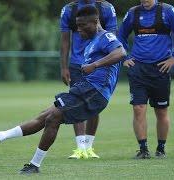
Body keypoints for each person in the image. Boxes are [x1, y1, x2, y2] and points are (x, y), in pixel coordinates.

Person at [0, 6, 126, 174]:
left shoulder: (106, 36)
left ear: (96, 22)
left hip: (95, 92)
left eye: (82, 25)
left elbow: (121, 52)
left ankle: (34, 165)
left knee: (53, 117)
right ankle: (1, 135)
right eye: (77, 26)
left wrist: (94, 65)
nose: (79, 29)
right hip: (86, 89)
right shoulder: (91, 43)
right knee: (46, 115)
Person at [118, 0, 174, 159]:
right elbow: (120, 35)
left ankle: (161, 148)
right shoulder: (133, 12)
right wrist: (124, 57)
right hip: (138, 69)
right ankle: (143, 150)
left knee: (161, 111)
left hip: (160, 69)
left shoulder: (168, 11)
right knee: (138, 109)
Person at [60, 0, 117, 159]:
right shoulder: (69, 10)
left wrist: (104, 64)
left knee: (93, 106)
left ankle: (89, 147)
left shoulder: (105, 8)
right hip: (77, 64)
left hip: (98, 65)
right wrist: (64, 67)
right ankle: (80, 148)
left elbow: (113, 39)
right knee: (75, 102)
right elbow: (65, 41)